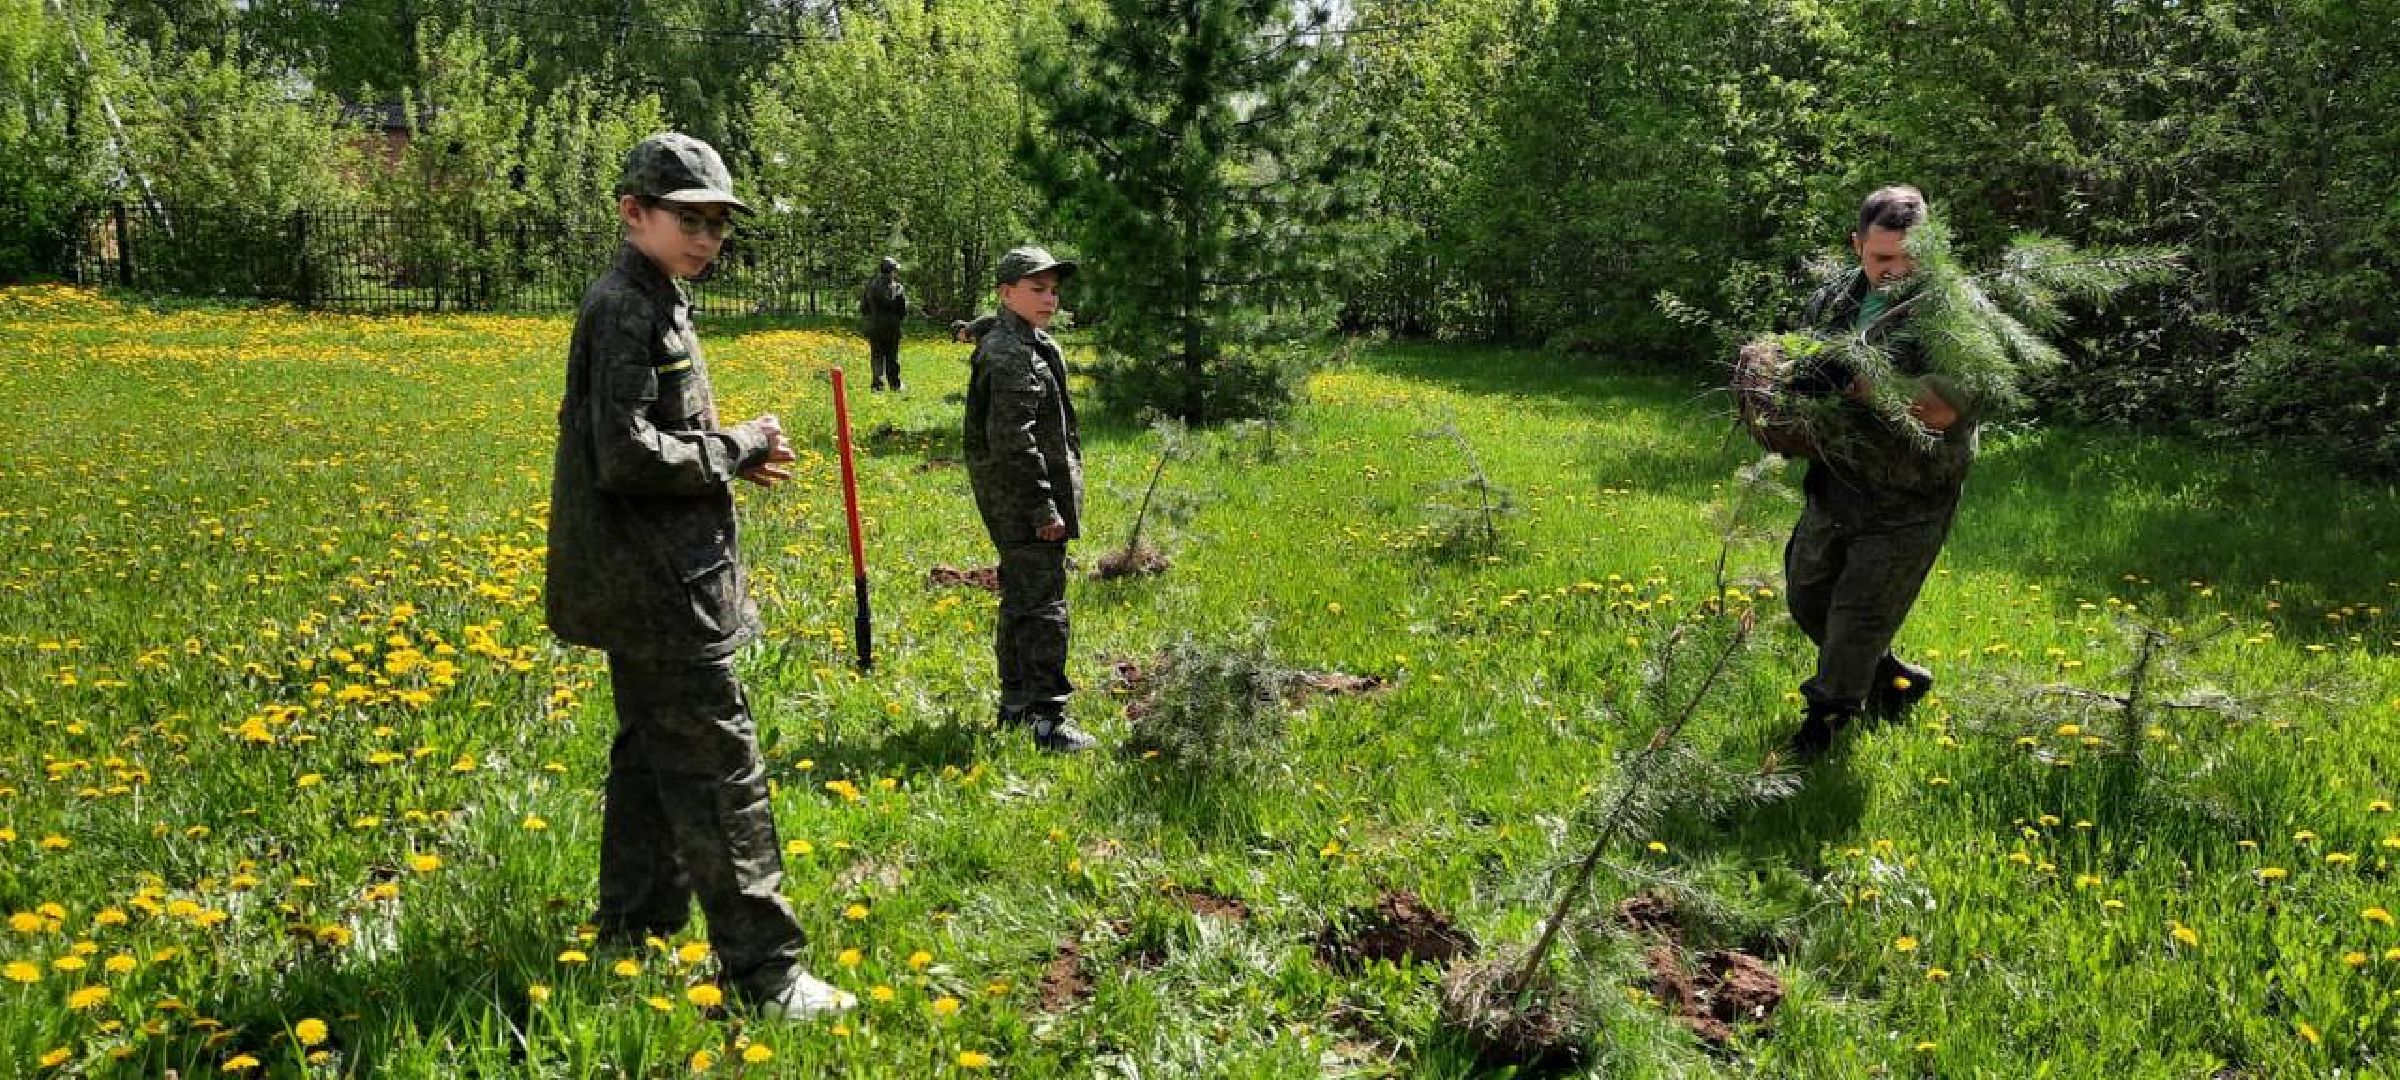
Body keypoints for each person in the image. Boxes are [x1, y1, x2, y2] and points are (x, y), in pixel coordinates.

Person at [544, 132, 852, 1017]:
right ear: (632, 213)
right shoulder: (624, 307)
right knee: (722, 768)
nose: (707, 238)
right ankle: (768, 975)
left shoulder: (659, 295)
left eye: (718, 223)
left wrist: (726, 460)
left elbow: (650, 438)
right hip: (659, 585)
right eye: (689, 219)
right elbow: (626, 453)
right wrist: (736, 444)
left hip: (659, 575)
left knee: (650, 753)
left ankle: (634, 926)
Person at [1783, 185, 1981, 756]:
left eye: (1909, 257)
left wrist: (1856, 382)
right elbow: (1800, 365)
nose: (1896, 271)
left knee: (1860, 614)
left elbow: (1942, 408)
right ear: (1857, 246)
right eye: (1882, 258)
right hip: (1837, 481)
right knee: (1807, 596)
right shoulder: (1833, 302)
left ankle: (1823, 727)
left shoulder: (1953, 314)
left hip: (1909, 494)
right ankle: (1893, 680)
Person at [963, 246, 1096, 753]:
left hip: (1020, 497)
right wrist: (1043, 507)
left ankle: (1016, 707)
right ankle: (1046, 718)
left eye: (1054, 289)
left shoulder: (1026, 341)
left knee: (1023, 599)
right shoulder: (1012, 352)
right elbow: (1014, 440)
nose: (1050, 298)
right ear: (1006, 293)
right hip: (1024, 501)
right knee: (1044, 607)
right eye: (1037, 288)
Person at [859, 256, 908, 391]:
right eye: (895, 271)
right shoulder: (897, 288)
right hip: (892, 328)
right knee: (892, 357)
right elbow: (903, 310)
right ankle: (895, 385)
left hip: (875, 328)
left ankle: (877, 385)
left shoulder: (870, 286)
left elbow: (863, 308)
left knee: (877, 357)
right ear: (891, 272)